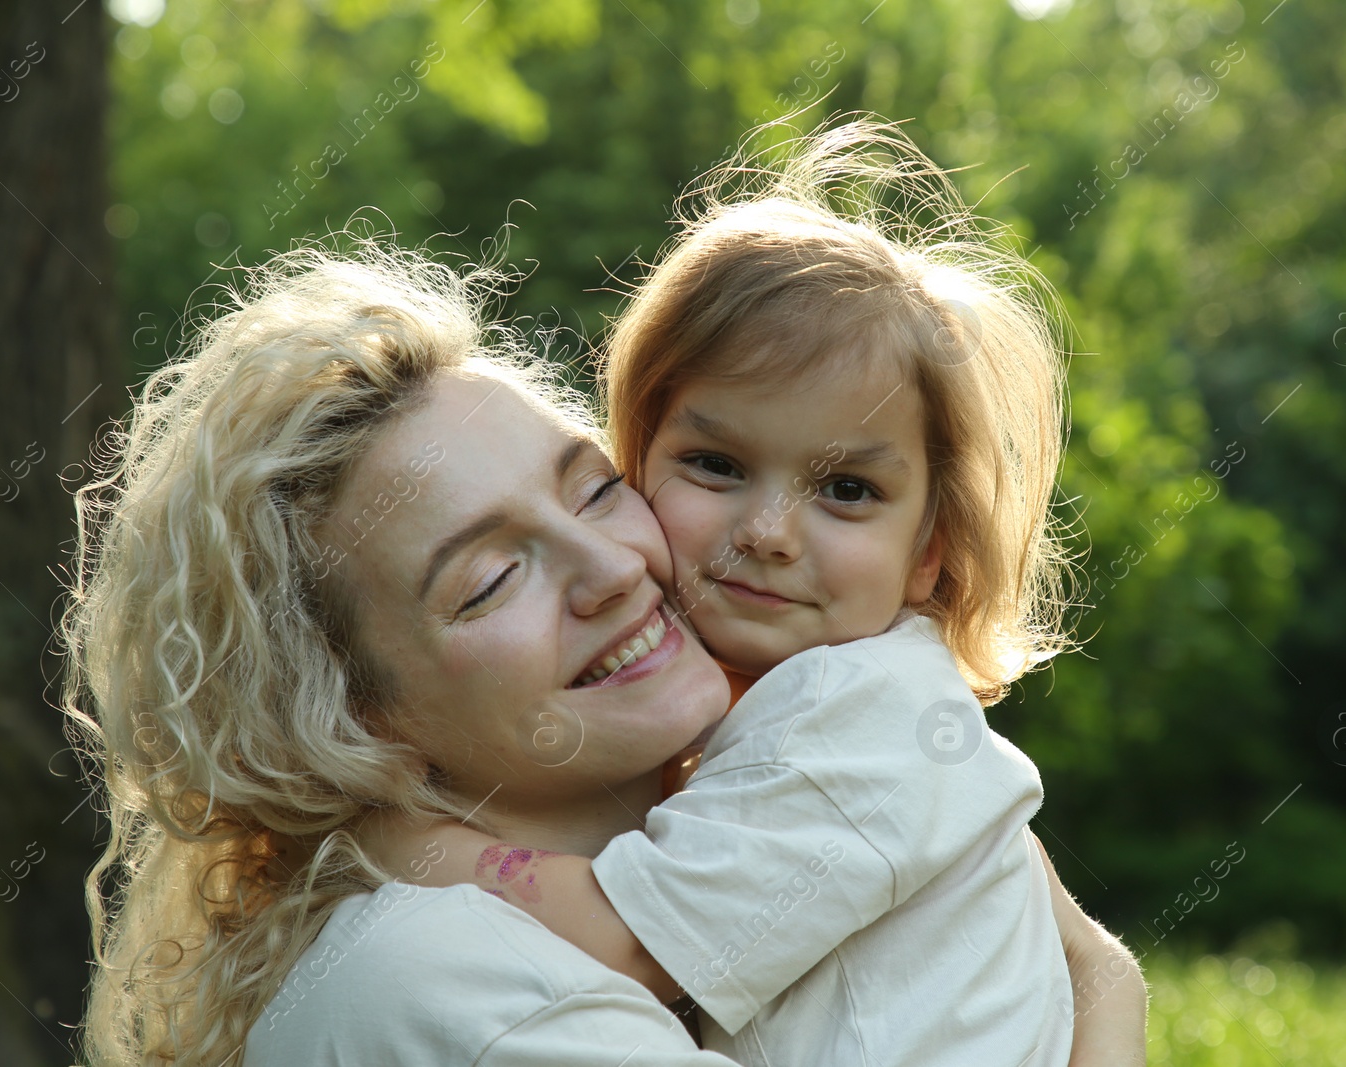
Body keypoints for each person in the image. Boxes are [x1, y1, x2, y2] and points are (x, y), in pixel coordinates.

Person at [62, 241, 1143, 1067]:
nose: (615, 566)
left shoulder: (822, 750)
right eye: (489, 578)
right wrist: (1105, 983)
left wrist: (1101, 976)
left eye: (591, 488)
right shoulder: (432, 977)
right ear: (349, 714)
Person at [362, 121, 1139, 1067]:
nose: (769, 531)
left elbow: (636, 944)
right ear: (635, 459)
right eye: (717, 464)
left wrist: (414, 849)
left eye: (847, 490)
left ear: (928, 554)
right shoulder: (835, 716)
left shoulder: (847, 717)